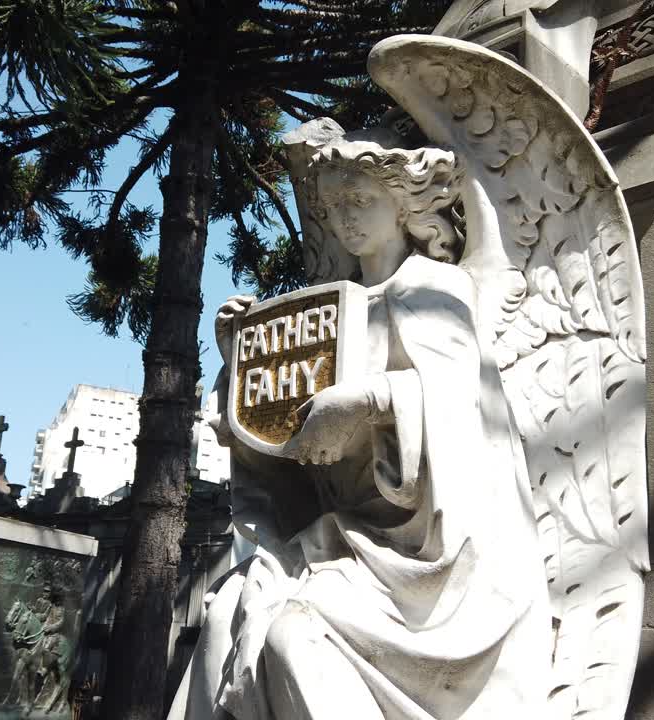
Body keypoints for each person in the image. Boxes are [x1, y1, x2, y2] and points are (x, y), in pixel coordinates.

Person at [169, 131, 552, 720]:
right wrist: (242, 371)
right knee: (224, 618)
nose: (344, 219)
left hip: (428, 560)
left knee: (294, 636)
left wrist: (366, 401)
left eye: (360, 201)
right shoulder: (325, 312)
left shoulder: (432, 289)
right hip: (338, 538)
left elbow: (459, 412)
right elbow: (284, 459)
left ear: (404, 205)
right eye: (333, 206)